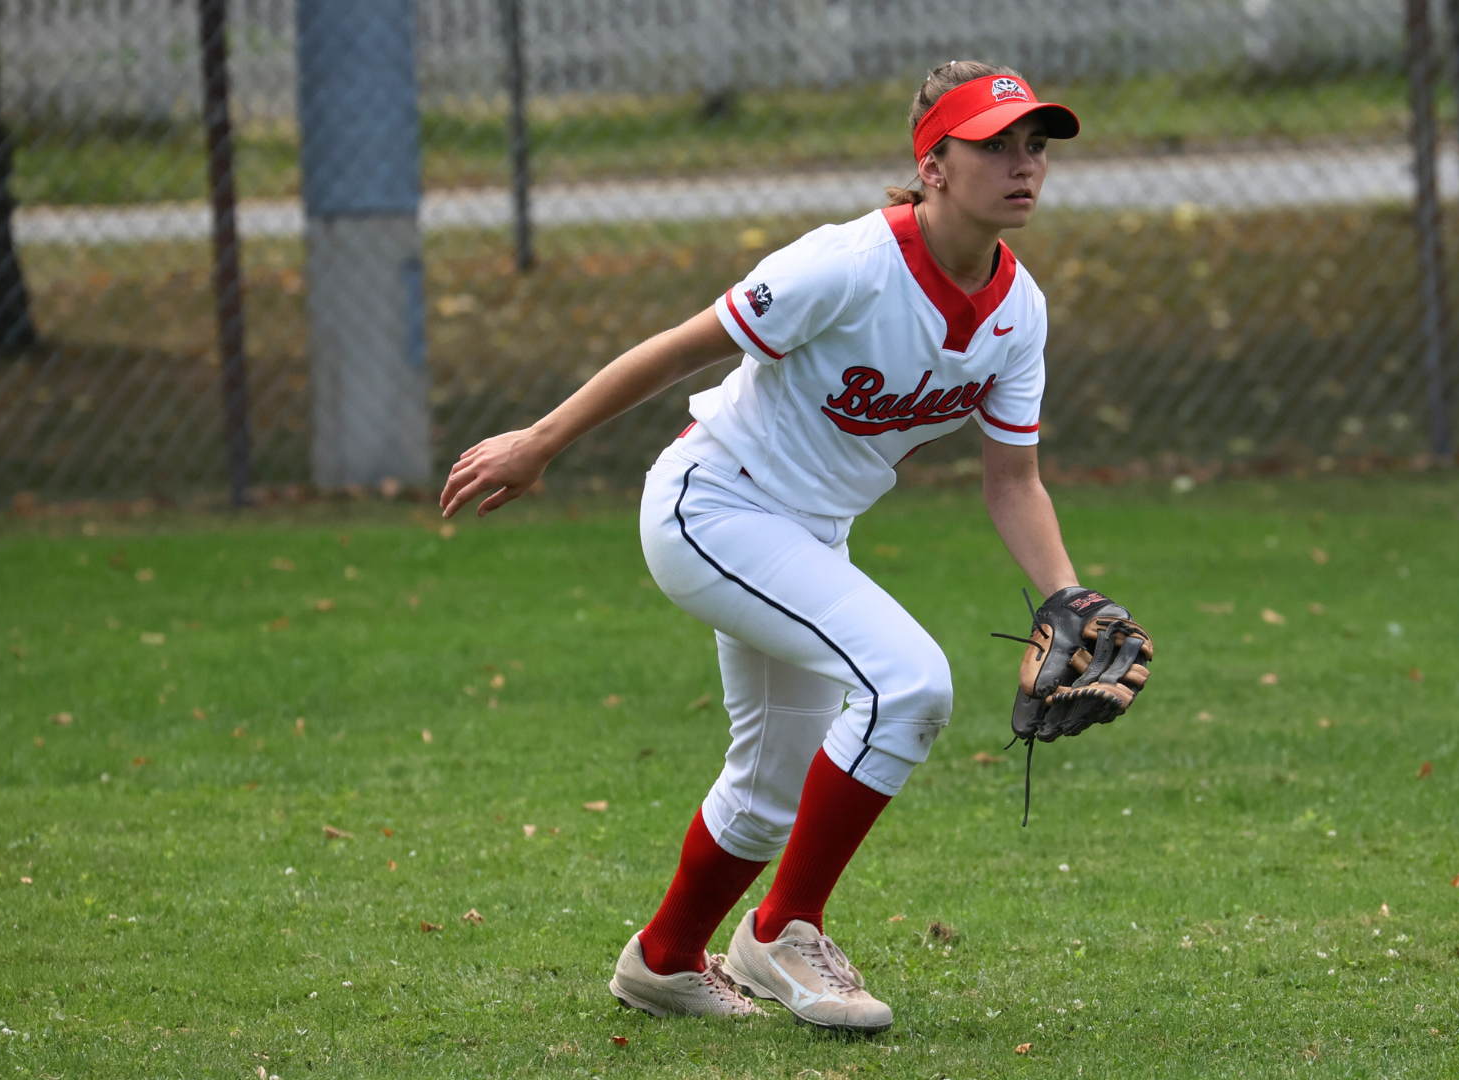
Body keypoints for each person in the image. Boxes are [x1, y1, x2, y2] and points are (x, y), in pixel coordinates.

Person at [439, 61, 1083, 1034]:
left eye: (1035, 143)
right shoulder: (846, 262)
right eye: (994, 143)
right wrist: (539, 445)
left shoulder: (1017, 310)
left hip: (810, 537)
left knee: (771, 782)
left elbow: (1013, 482)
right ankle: (783, 928)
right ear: (934, 163)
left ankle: (663, 961)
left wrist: (1067, 601)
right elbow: (681, 346)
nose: (1023, 162)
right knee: (908, 682)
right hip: (714, 508)